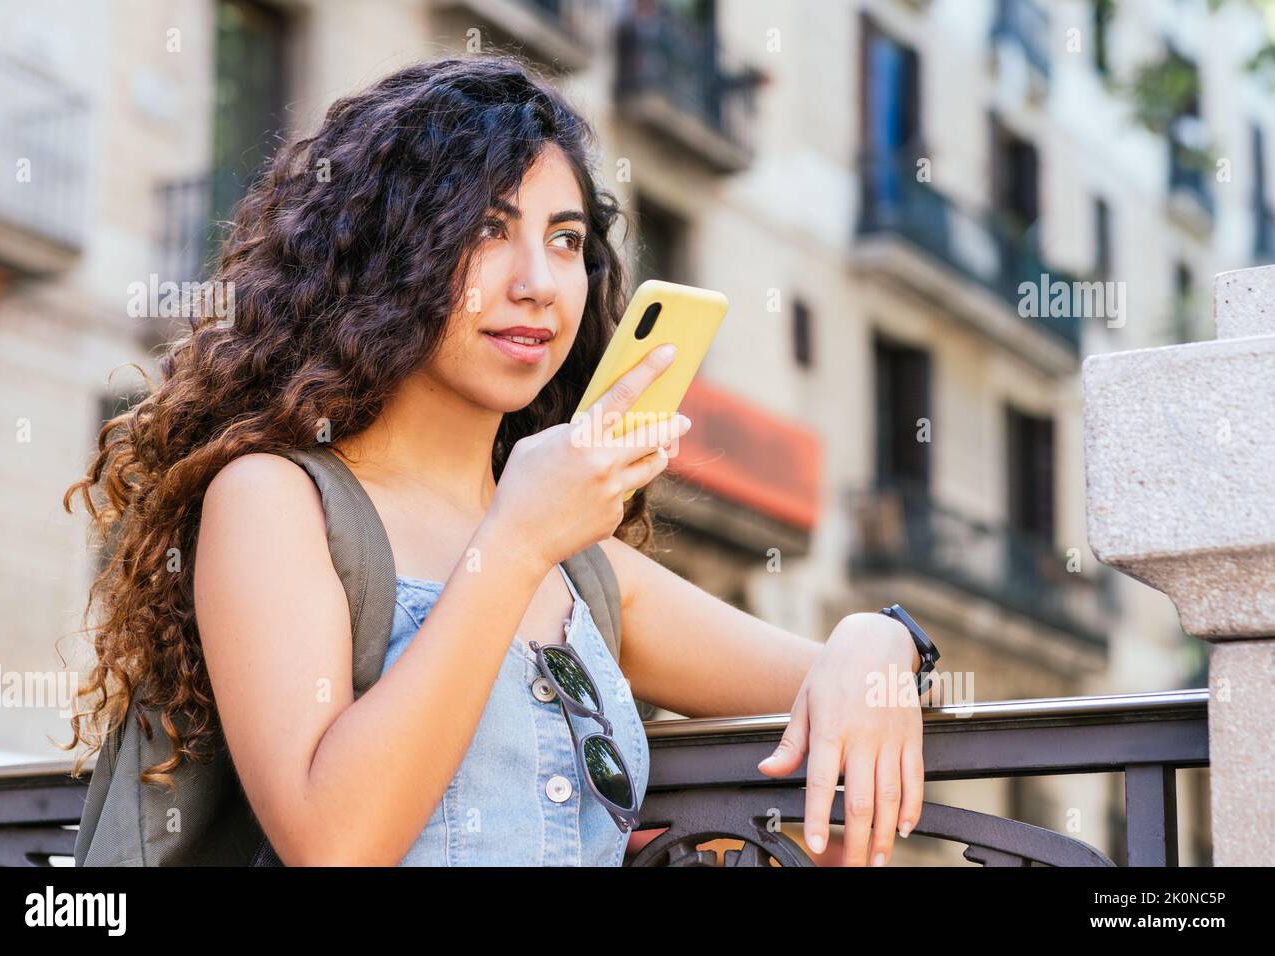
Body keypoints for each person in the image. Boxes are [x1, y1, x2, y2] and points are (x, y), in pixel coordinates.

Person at [63, 54, 926, 867]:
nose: (539, 283)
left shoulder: (583, 564)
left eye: (564, 239)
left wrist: (879, 640)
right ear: (384, 252)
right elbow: (332, 840)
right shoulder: (277, 500)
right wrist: (512, 544)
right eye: (488, 228)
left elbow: (813, 677)